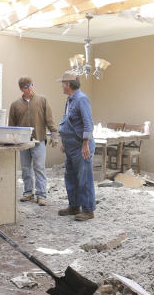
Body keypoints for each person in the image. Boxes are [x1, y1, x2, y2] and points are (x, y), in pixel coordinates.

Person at [8, 77, 57, 206]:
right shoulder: (15, 105)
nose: (29, 88)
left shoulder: (42, 100)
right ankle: (28, 193)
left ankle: (41, 195)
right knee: (25, 168)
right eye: (26, 87)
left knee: (39, 167)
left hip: (38, 140)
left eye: (31, 85)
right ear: (21, 89)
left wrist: (54, 133)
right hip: (22, 142)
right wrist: (12, 141)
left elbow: (49, 119)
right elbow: (11, 125)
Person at [57, 72, 95, 221]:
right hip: (71, 147)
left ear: (68, 85)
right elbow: (67, 121)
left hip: (81, 147)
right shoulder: (70, 100)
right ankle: (74, 206)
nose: (61, 86)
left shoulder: (82, 99)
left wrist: (85, 144)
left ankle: (88, 210)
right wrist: (64, 141)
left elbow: (88, 123)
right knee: (71, 177)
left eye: (62, 83)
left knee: (84, 178)